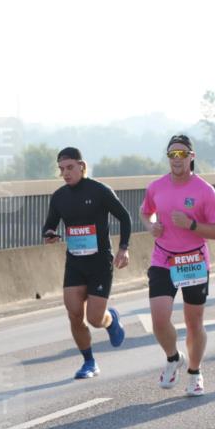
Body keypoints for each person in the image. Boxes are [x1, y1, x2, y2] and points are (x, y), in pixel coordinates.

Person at [140, 134, 215, 396]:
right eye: (171, 155)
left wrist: (191, 225)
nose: (176, 159)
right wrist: (151, 226)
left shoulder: (205, 190)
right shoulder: (156, 186)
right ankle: (172, 357)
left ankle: (195, 372)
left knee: (193, 322)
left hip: (193, 260)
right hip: (163, 258)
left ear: (191, 157)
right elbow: (145, 211)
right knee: (158, 319)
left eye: (181, 154)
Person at [42, 147, 130, 379]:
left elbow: (125, 217)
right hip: (75, 263)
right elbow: (50, 224)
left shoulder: (99, 191)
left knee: (94, 318)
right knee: (73, 314)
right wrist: (49, 233)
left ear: (81, 166)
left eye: (70, 168)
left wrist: (123, 248)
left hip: (100, 263)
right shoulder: (59, 196)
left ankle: (110, 320)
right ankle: (89, 362)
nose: (66, 173)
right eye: (61, 169)